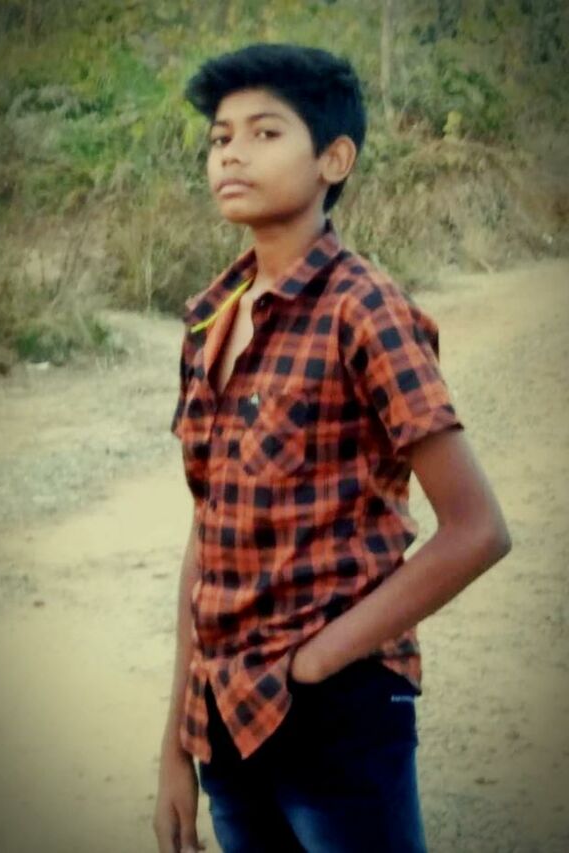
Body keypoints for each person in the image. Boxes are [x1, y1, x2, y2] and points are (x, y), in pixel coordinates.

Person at [153, 43, 511, 853]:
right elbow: (208, 532)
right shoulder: (211, 315)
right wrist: (176, 743)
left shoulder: (365, 309)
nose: (232, 153)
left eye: (265, 132)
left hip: (337, 716)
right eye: (219, 138)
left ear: (333, 159)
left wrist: (318, 662)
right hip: (227, 717)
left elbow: (477, 528)